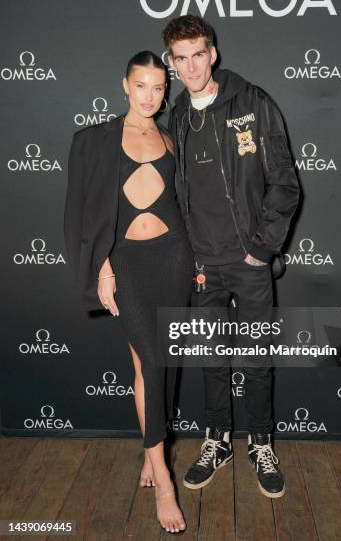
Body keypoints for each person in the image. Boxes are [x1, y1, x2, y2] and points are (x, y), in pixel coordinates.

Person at [162, 15, 300, 499]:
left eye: (198, 54)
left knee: (258, 357)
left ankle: (261, 442)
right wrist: (188, 258)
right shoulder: (177, 116)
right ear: (172, 64)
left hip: (249, 263)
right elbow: (174, 196)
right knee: (211, 360)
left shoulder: (253, 102)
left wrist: (261, 249)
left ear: (213, 53)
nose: (191, 66)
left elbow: (284, 182)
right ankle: (217, 439)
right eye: (181, 58)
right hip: (202, 266)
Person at [64, 51, 193, 534]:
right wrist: (102, 267)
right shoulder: (96, 140)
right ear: (125, 85)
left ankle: (150, 449)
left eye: (159, 88)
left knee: (154, 365)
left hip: (175, 258)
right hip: (128, 264)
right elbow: (83, 213)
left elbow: (184, 203)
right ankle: (163, 478)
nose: (150, 96)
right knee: (152, 362)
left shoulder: (169, 137)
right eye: (141, 86)